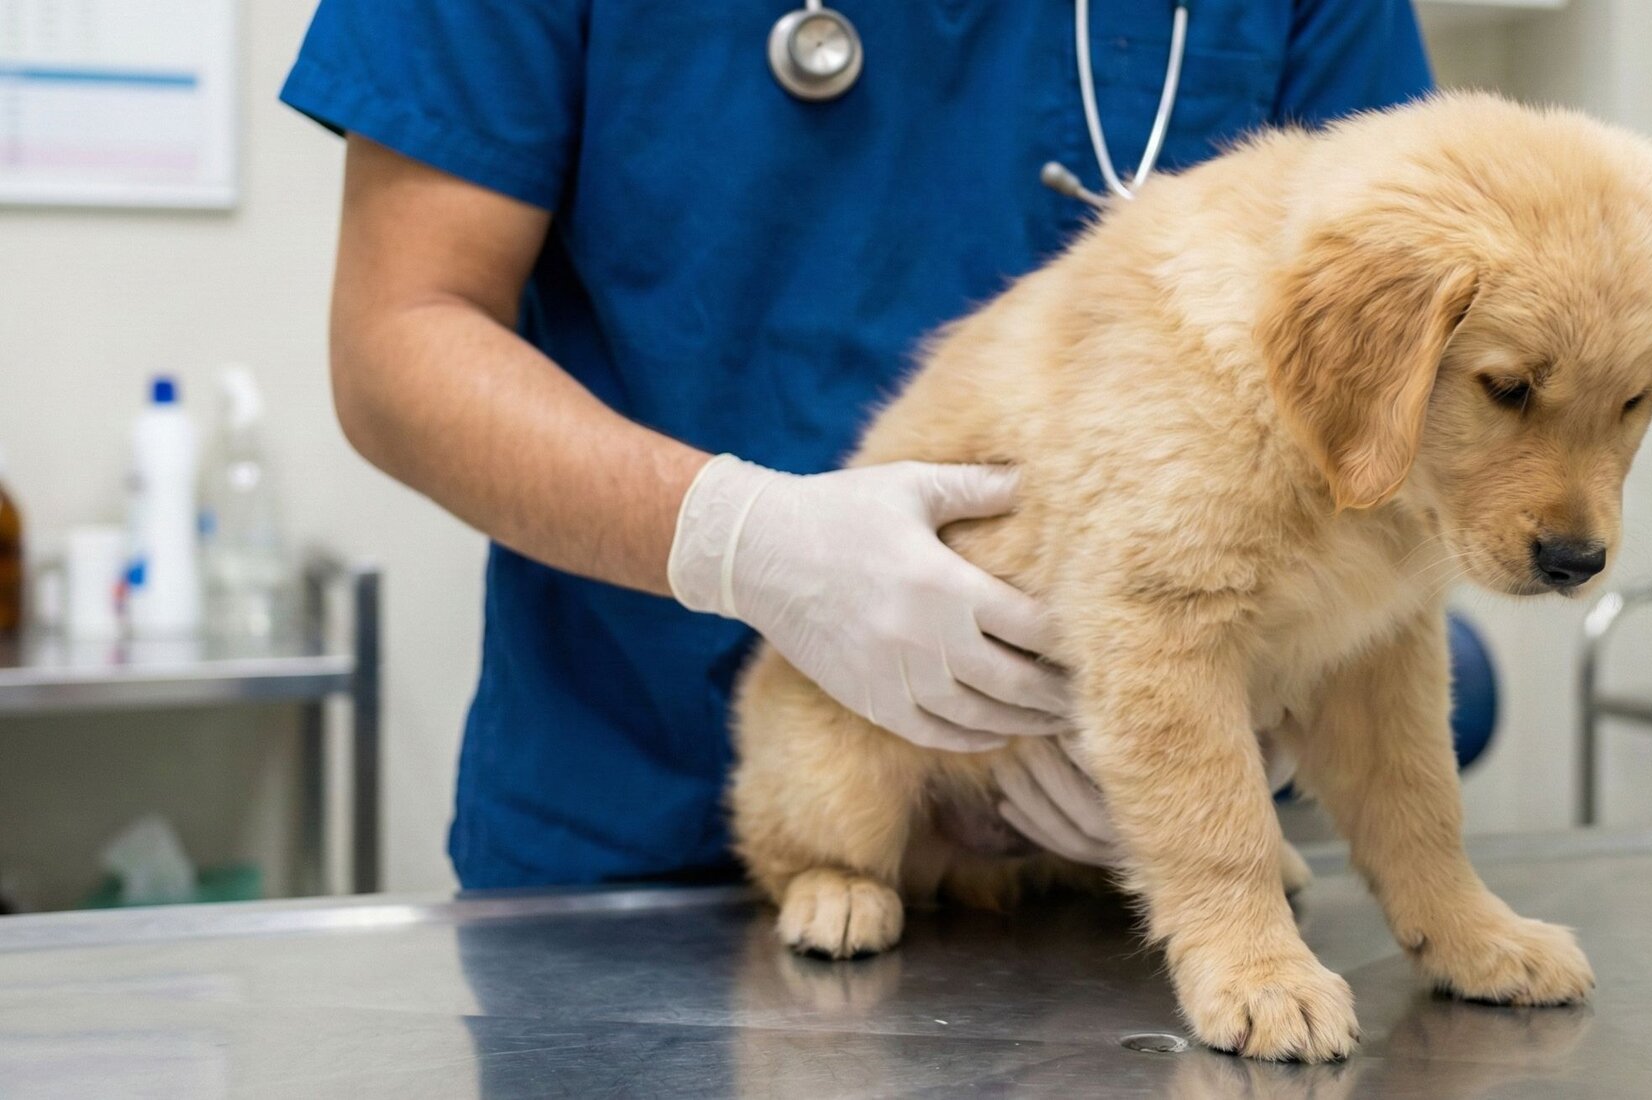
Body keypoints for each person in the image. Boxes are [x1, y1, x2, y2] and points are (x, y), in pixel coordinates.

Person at [282, 1, 1434, 889]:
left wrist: (1287, 690)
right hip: (632, 826)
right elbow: (402, 333)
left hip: (1127, 890)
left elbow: (1393, 345)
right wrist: (743, 542)